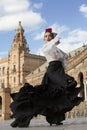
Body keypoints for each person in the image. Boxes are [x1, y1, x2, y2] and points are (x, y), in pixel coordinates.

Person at [10, 28, 83, 127]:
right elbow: (49, 48)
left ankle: (55, 118)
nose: (47, 38)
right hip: (52, 70)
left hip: (59, 69)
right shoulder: (46, 47)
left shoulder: (56, 49)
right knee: (67, 84)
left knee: (54, 95)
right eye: (45, 36)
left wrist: (57, 47)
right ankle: (22, 116)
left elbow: (64, 57)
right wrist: (54, 41)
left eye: (49, 36)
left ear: (52, 37)